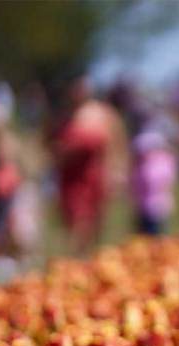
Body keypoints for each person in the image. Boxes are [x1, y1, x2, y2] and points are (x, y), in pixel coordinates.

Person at [52, 76, 117, 251]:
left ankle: (91, 261)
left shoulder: (101, 113)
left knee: (94, 224)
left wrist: (114, 173)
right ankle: (78, 263)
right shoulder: (64, 117)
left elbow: (113, 144)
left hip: (93, 175)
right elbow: (53, 146)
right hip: (71, 177)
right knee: (75, 224)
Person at [131, 124, 176, 235]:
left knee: (155, 233)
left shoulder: (162, 163)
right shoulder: (140, 165)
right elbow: (135, 184)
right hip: (142, 205)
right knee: (142, 232)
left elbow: (157, 181)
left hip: (157, 206)